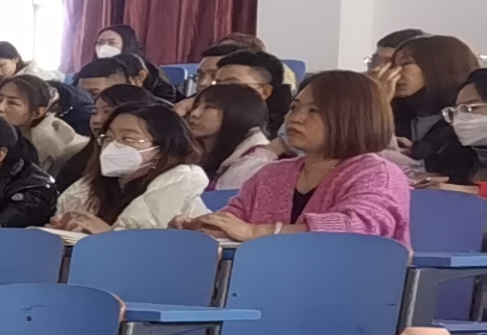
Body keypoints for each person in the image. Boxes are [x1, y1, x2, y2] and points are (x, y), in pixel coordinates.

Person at [188, 68, 412, 245]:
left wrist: (257, 232)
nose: (296, 118)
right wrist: (203, 227)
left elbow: (356, 227)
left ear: (353, 118)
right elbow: (235, 219)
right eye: (294, 108)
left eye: (313, 111)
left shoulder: (378, 174)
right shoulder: (273, 174)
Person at [51, 100, 206, 233]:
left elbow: (150, 249)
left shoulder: (178, 185)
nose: (113, 145)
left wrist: (107, 235)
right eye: (109, 137)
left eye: (127, 138)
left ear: (160, 150)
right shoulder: (88, 188)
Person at [183, 81, 284, 200]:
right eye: (195, 106)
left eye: (209, 107)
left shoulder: (254, 164)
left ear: (238, 112)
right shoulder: (200, 151)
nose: (194, 114)